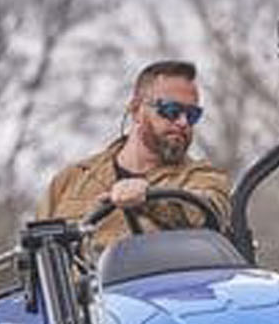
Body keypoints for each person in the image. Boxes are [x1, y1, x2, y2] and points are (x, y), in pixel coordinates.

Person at [37, 59, 231, 250]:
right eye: (171, 110)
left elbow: (208, 214)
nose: (183, 122)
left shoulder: (204, 177)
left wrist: (150, 197)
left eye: (192, 115)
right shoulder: (71, 180)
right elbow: (36, 254)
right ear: (136, 110)